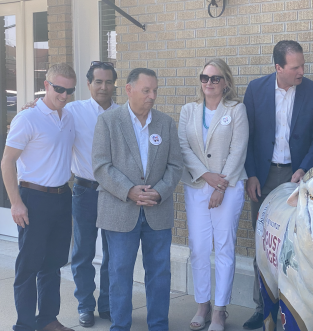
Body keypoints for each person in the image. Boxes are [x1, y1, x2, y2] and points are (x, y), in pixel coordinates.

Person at [21, 61, 119, 327]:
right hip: (84, 191)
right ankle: (85, 306)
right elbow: (47, 109)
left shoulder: (123, 114)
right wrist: (31, 105)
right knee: (83, 253)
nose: (103, 86)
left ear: (114, 85)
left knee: (113, 254)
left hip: (116, 195)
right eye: (98, 81)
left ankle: (108, 305)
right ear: (88, 85)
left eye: (109, 81)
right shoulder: (72, 110)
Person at [243, 40, 313, 330]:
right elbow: (248, 136)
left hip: (298, 179)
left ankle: (294, 310)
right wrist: (251, 174)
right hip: (263, 179)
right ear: (278, 67)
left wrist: (304, 168)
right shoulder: (256, 89)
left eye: (303, 65)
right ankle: (263, 307)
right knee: (263, 246)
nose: (301, 71)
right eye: (295, 67)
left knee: (299, 246)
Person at [92, 68, 183, 331]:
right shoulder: (109, 121)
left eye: (155, 90)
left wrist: (161, 191)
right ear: (129, 89)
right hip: (120, 210)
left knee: (159, 274)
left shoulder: (165, 123)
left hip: (157, 210)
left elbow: (175, 165)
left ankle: (158, 326)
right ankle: (120, 326)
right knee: (120, 274)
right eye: (146, 90)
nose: (152, 96)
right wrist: (129, 190)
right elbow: (100, 166)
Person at [1, 63, 77, 331]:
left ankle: (47, 320)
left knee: (53, 264)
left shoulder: (68, 117)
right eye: (59, 88)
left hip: (61, 197)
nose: (64, 95)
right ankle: (23, 325)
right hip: (33, 198)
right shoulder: (28, 118)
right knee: (29, 266)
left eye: (69, 90)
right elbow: (7, 162)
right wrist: (16, 203)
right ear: (46, 85)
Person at [178, 58, 249, 331]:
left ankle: (220, 310)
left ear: (226, 83)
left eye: (215, 78)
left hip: (228, 187)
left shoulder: (237, 109)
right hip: (197, 185)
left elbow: (238, 149)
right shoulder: (188, 110)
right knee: (198, 247)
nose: (209, 83)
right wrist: (205, 175)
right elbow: (183, 147)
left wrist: (220, 185)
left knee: (224, 247)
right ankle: (202, 304)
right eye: (204, 77)